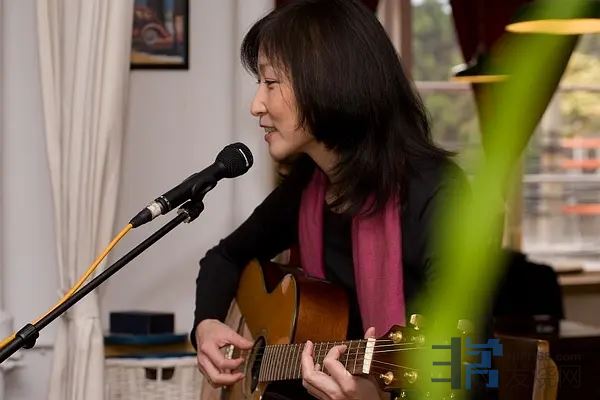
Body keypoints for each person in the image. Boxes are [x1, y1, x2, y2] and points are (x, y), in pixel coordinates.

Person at [191, 0, 468, 399]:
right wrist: (206, 325)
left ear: (328, 81)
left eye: (270, 83)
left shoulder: (439, 193)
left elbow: (468, 362)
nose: (256, 105)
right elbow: (225, 258)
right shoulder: (308, 187)